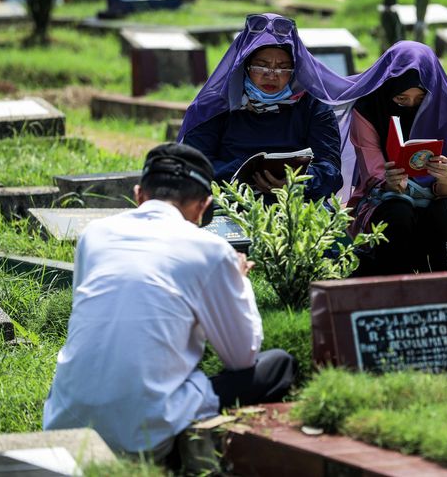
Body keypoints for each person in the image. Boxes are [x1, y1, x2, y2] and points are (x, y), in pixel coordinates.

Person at [43, 144, 296, 463]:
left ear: (138, 195)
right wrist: (239, 280)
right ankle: (186, 459)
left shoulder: (95, 234)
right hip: (141, 433)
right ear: (204, 207)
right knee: (278, 365)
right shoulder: (210, 249)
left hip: (64, 423)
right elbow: (241, 357)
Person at [345, 42, 447, 275]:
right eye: (401, 100)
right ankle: (395, 287)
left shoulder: (446, 111)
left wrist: (445, 180)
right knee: (397, 211)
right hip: (383, 197)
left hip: (436, 197)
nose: (411, 107)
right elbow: (371, 171)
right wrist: (389, 182)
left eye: (420, 99)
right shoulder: (369, 109)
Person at [179, 13, 343, 201]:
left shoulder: (313, 106)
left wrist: (295, 184)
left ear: (295, 71)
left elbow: (331, 169)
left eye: (283, 67)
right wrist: (241, 173)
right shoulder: (215, 106)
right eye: (261, 66)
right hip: (228, 202)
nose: (272, 75)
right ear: (244, 66)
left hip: (298, 202)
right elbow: (193, 164)